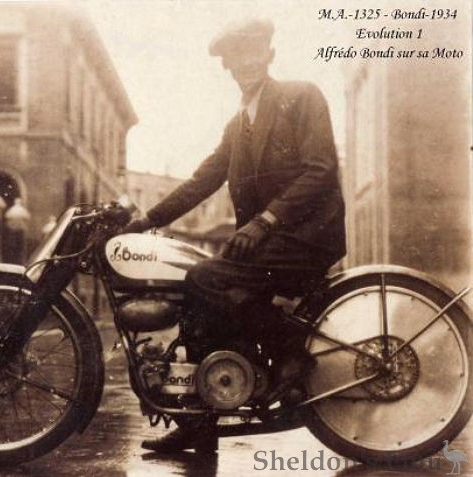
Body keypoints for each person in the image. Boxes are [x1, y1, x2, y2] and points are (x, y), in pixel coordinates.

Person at [124, 17, 346, 453]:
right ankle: (201, 420)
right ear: (227, 66)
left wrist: (266, 221)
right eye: (235, 57)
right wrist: (146, 219)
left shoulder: (301, 96)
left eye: (252, 53)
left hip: (308, 236)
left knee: (205, 278)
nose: (245, 63)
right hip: (272, 240)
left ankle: (290, 354)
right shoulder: (238, 124)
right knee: (197, 286)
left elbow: (320, 169)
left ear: (269, 54)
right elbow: (202, 181)